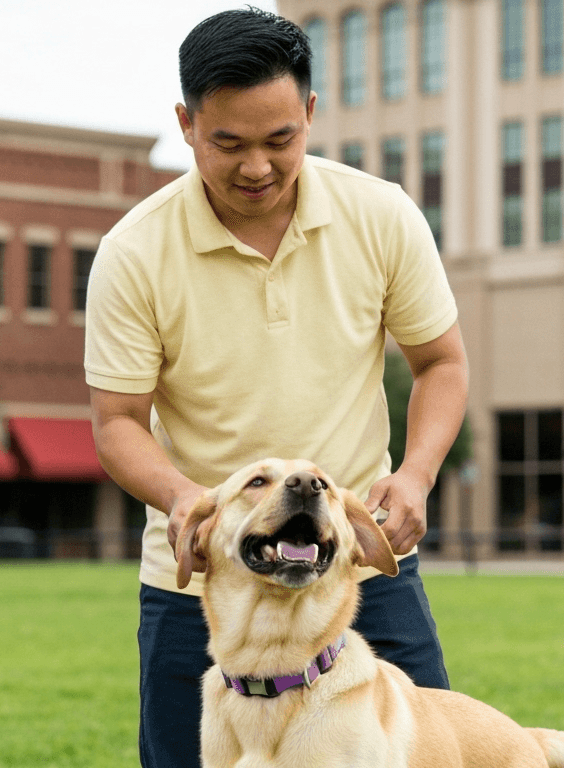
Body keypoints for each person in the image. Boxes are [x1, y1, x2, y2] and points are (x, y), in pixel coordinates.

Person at [83, 8, 469, 767]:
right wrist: (184, 499)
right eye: (228, 143)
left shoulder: (382, 214)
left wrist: (417, 475)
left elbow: (442, 364)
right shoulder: (133, 251)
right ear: (187, 124)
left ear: (312, 114)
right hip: (200, 582)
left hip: (359, 563)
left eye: (280, 140)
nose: (257, 166)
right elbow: (117, 421)